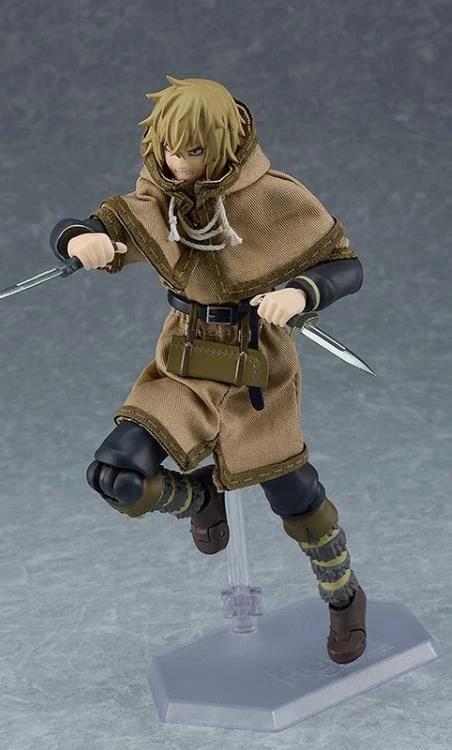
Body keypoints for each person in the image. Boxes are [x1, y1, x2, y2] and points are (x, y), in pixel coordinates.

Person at [50, 76, 367, 663]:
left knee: (296, 498)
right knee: (115, 476)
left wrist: (300, 292)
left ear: (223, 143)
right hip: (185, 359)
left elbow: (345, 265)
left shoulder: (275, 196)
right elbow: (116, 224)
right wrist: (81, 239)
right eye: (169, 148)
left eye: (193, 150)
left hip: (256, 367)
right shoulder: (162, 194)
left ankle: (344, 596)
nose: (177, 163)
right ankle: (198, 499)